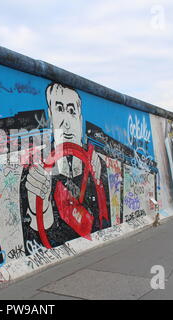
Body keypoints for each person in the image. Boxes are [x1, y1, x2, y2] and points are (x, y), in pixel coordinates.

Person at [19, 82, 108, 251]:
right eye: (59, 109)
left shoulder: (95, 164)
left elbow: (104, 220)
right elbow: (32, 244)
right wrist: (40, 210)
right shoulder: (36, 168)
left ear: (80, 119)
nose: (66, 123)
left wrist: (99, 181)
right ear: (50, 117)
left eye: (72, 111)